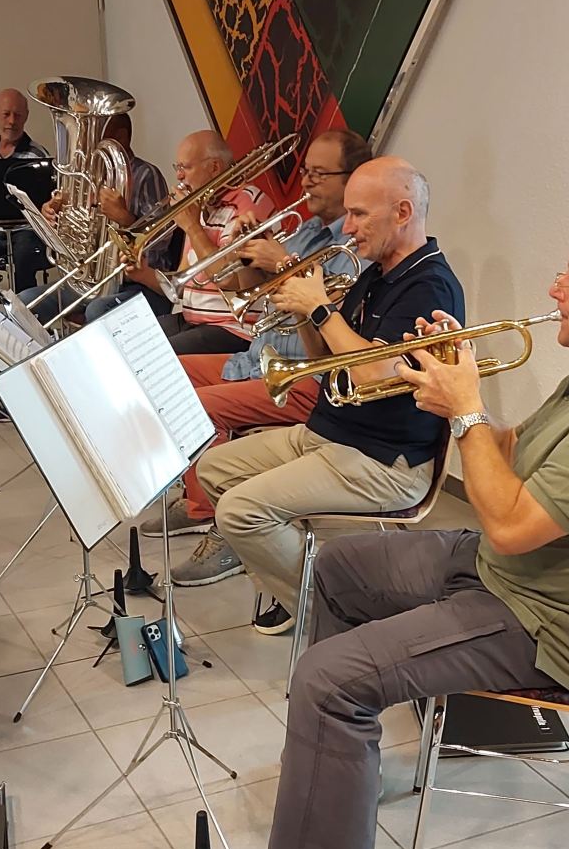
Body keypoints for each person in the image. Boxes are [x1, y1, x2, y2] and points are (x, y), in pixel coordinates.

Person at [252, 205, 569, 849]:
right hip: (512, 573)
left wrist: (464, 414)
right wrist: (451, 387)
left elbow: (511, 525)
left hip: (544, 622)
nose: (554, 289)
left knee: (327, 679)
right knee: (337, 566)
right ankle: (339, 765)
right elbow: (511, 452)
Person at [169, 156, 465, 642]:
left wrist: (322, 308)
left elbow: (371, 371)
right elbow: (323, 360)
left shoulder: (429, 286)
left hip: (382, 461)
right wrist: (304, 312)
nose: (347, 228)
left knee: (240, 511)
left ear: (403, 212)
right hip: (330, 434)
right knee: (215, 469)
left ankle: (332, 615)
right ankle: (294, 580)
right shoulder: (377, 273)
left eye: (359, 214)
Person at [139, 129, 373, 574]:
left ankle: (225, 530)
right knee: (167, 376)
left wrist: (280, 261)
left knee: (198, 406)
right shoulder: (306, 231)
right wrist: (247, 252)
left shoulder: (354, 247)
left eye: (320, 174)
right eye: (306, 171)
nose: (306, 181)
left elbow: (325, 324)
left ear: (352, 180)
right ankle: (201, 502)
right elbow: (240, 288)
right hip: (260, 358)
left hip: (305, 377)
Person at [18, 113, 177, 323]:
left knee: (97, 310)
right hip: (89, 280)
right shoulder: (88, 177)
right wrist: (55, 217)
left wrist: (124, 217)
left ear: (120, 137)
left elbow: (163, 238)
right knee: (25, 303)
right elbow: (76, 234)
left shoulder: (146, 174)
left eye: (95, 138)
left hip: (139, 284)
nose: (87, 147)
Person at [154, 130, 276, 354]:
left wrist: (192, 227)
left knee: (160, 356)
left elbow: (227, 278)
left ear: (214, 167)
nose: (179, 176)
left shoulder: (248, 202)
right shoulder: (201, 207)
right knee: (134, 341)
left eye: (185, 167)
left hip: (233, 329)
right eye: (177, 167)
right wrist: (141, 271)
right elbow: (182, 283)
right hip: (193, 320)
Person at [0, 88, 50, 291]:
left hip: (25, 232)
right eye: (6, 114)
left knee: (23, 258)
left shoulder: (37, 155)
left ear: (26, 116)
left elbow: (47, 202)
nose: (11, 121)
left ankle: (24, 306)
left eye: (17, 115)